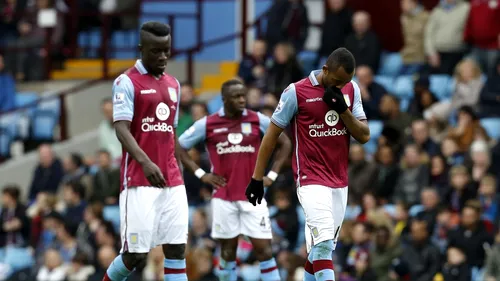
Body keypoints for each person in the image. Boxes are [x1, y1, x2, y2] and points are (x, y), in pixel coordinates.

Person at [246, 47, 370, 281]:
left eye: (345, 81)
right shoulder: (296, 92)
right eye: (336, 80)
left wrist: (342, 110)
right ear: (325, 70)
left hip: (339, 181)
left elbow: (363, 135)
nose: (340, 86)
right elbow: (271, 137)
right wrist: (257, 178)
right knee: (323, 245)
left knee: (320, 251)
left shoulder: (351, 89)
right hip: (310, 180)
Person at [178, 79, 292, 281]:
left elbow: (285, 142)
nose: (242, 100)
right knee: (228, 252)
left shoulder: (258, 119)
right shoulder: (209, 123)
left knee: (264, 250)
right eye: (237, 96)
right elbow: (179, 147)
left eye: (243, 95)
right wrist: (201, 174)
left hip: (253, 196)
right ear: (224, 99)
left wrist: (272, 175)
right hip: (223, 197)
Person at [104, 21, 188, 281]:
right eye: (156, 51)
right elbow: (121, 128)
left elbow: (170, 132)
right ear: (141, 49)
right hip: (139, 180)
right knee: (135, 256)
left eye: (167, 50)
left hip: (172, 180)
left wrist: (179, 167)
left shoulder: (174, 84)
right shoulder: (127, 82)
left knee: (176, 249)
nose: (163, 57)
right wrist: (146, 163)